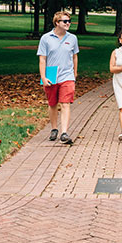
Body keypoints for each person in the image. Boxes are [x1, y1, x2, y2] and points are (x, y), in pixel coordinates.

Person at [38, 10, 79, 144]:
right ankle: (54, 129)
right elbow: (42, 59)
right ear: (57, 23)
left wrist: (75, 73)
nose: (68, 23)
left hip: (67, 76)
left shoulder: (72, 38)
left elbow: (75, 56)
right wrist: (43, 77)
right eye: (65, 21)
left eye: (69, 21)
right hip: (51, 75)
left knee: (65, 103)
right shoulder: (46, 38)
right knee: (53, 104)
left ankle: (64, 133)